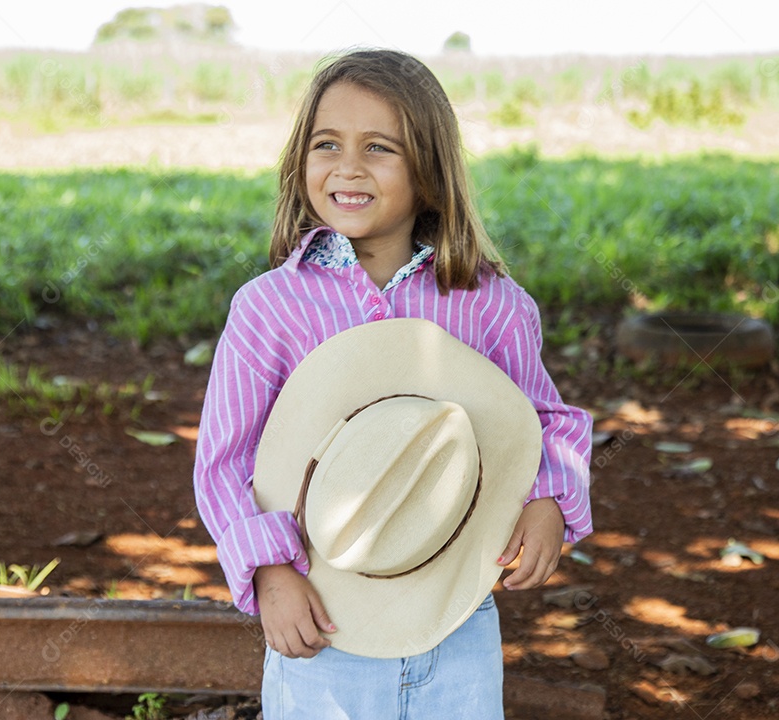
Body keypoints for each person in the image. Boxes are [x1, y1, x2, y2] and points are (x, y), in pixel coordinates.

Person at [194, 48, 592, 719]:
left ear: (430, 175)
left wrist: (551, 498)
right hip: (321, 613)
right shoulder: (269, 308)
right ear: (301, 162)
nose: (348, 168)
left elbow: (545, 419)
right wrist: (269, 574)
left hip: (458, 611)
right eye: (327, 145)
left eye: (379, 148)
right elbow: (224, 461)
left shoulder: (489, 303)